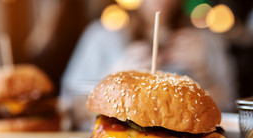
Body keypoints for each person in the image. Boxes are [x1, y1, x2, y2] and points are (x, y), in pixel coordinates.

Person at [61, 0, 237, 113]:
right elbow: (68, 105)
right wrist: (114, 79)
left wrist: (204, 72)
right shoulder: (102, 36)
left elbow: (230, 105)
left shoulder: (207, 41)